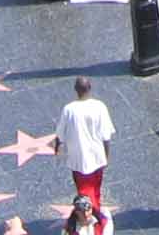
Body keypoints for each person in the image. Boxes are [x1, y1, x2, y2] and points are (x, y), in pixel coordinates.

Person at [54, 76, 116, 219]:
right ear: (90, 88)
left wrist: (57, 147)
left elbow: (60, 134)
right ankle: (96, 208)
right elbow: (106, 135)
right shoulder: (100, 106)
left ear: (76, 90)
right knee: (96, 187)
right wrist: (106, 155)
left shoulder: (69, 109)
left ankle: (93, 216)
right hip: (97, 156)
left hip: (78, 158)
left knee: (83, 190)